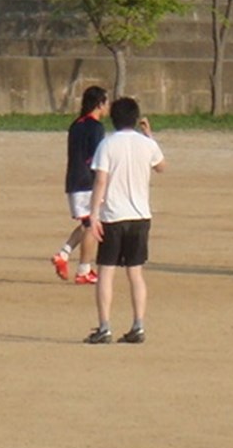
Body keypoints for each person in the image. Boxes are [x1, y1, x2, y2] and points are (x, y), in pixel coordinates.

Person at [84, 98, 165, 344]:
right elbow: (161, 166)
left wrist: (93, 213)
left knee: (106, 272)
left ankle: (105, 327)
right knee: (135, 273)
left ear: (114, 119)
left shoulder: (107, 144)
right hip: (140, 216)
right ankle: (138, 325)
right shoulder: (147, 144)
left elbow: (101, 181)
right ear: (136, 118)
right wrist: (149, 136)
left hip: (113, 216)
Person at [51, 86, 109, 284]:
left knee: (86, 223)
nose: (107, 106)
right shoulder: (96, 127)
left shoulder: (76, 124)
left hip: (73, 180)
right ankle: (84, 270)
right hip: (87, 183)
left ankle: (63, 254)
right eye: (106, 102)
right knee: (92, 225)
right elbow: (95, 158)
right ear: (99, 104)